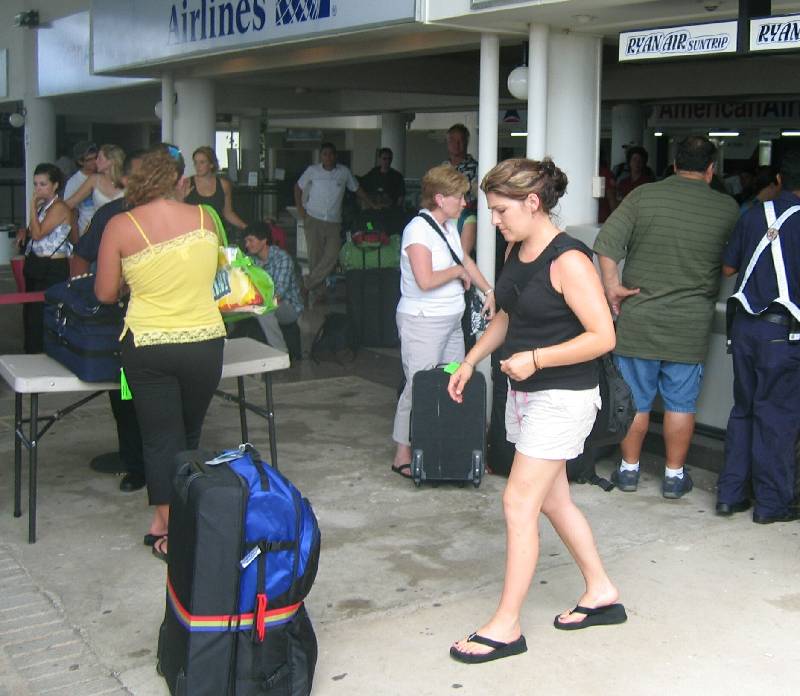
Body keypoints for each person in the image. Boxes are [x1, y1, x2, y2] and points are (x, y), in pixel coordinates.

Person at [447, 158, 623, 664]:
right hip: (524, 392)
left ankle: (506, 627)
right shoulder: (516, 248)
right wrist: (472, 360)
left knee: (517, 503)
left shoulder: (570, 260)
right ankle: (601, 591)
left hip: (562, 396)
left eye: (501, 210)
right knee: (553, 501)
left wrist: (539, 358)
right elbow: (507, 313)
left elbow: (603, 336)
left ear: (533, 203)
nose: (495, 220)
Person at [95, 144, 226, 562]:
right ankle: (163, 521)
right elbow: (217, 272)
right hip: (205, 341)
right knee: (187, 436)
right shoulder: (207, 217)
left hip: (150, 343)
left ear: (136, 183)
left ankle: (176, 531)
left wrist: (137, 280)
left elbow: (104, 292)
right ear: (178, 181)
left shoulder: (121, 224)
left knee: (158, 440)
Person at [594, 136, 739, 499]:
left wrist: (612, 285)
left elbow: (606, 244)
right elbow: (730, 267)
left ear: (674, 165)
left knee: (636, 402)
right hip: (689, 325)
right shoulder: (727, 208)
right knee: (680, 404)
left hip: (639, 319)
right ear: (711, 169)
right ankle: (674, 477)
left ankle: (628, 471)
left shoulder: (643, 196)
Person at [391, 164, 495, 478]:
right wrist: (457, 273)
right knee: (419, 385)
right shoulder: (417, 230)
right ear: (439, 198)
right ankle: (402, 452)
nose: (464, 203)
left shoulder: (449, 226)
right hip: (423, 323)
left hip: (451, 321)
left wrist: (487, 289)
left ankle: (447, 446)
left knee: (453, 381)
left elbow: (464, 259)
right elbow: (425, 279)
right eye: (459, 197)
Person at [716, 150, 800, 524]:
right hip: (783, 333)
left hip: (745, 328)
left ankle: (730, 495)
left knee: (744, 411)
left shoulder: (752, 213)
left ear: (779, 179)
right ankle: (771, 505)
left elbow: (729, 266)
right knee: (777, 418)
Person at [71, 150, 147, 494]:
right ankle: (135, 463)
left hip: (169, 328)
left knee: (164, 400)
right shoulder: (111, 215)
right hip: (123, 325)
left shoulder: (183, 217)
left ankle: (162, 465)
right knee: (126, 395)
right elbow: (82, 256)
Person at [294, 142, 375, 303]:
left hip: (333, 221)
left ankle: (307, 285)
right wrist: (300, 210)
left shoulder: (343, 172)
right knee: (315, 257)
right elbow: (297, 187)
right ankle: (320, 294)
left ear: (335, 156)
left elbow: (356, 188)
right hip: (314, 218)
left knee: (332, 254)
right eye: (325, 154)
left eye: (331, 154)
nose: (328, 157)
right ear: (321, 156)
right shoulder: (313, 171)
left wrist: (372, 204)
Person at [16, 163, 76, 353]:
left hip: (52, 266)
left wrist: (32, 207)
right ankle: (32, 349)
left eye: (43, 184)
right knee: (32, 312)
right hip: (37, 262)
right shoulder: (44, 206)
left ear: (55, 185)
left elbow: (39, 233)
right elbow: (33, 230)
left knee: (43, 312)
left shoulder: (59, 207)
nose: (38, 189)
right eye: (35, 184)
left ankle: (44, 350)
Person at [242, 220, 304, 353]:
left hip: (287, 306)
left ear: (264, 240)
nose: (247, 245)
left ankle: (281, 352)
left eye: (251, 240)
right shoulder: (250, 260)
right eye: (246, 241)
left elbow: (278, 293)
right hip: (259, 302)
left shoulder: (282, 258)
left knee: (264, 308)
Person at [184, 146, 248, 234]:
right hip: (193, 233)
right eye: (195, 163)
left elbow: (228, 213)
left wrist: (246, 227)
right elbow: (178, 209)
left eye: (202, 162)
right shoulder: (187, 183)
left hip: (215, 233)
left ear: (211, 164)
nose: (198, 166)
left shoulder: (223, 185)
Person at [65, 144, 125, 235]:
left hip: (122, 230)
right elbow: (70, 203)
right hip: (98, 230)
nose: (96, 162)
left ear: (111, 161)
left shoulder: (128, 181)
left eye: (99, 158)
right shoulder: (94, 179)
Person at [63, 141, 99, 236]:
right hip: (85, 231)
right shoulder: (73, 182)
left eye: (96, 158)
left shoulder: (103, 176)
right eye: (89, 159)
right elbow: (68, 210)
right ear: (80, 161)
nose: (95, 162)